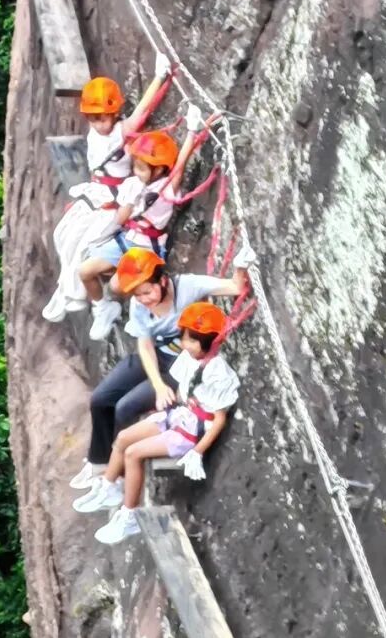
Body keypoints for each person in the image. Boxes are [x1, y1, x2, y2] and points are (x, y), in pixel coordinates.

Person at [67, 244, 254, 495]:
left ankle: (117, 474)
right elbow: (144, 344)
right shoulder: (140, 305)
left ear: (163, 280)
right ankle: (98, 463)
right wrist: (157, 384)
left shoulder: (188, 286)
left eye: (147, 292)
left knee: (124, 407)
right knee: (101, 399)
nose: (144, 299)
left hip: (182, 368)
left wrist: (241, 266)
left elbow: (234, 287)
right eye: (138, 295)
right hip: (156, 356)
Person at [77, 302, 240, 543]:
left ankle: (130, 515)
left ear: (208, 342)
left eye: (191, 340)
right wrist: (167, 401)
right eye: (184, 338)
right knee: (122, 438)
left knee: (133, 453)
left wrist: (197, 451)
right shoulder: (189, 358)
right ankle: (110, 486)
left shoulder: (218, 373)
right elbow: (181, 388)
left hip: (190, 431)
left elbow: (219, 419)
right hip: (178, 415)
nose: (184, 344)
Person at [41, 50, 174, 323]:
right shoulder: (95, 133)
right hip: (95, 193)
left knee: (85, 244)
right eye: (93, 118)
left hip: (113, 201)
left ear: (114, 114)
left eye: (102, 117)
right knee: (63, 235)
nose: (98, 124)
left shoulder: (121, 132)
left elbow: (142, 111)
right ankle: (67, 291)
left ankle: (84, 299)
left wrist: (160, 76)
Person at [78, 114, 203, 341]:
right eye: (135, 166)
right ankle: (103, 308)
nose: (136, 172)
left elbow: (180, 166)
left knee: (116, 286)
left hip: (146, 249)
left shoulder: (165, 189)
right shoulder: (132, 184)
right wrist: (129, 201)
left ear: (158, 170)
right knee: (85, 271)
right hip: (127, 238)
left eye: (142, 168)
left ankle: (140, 315)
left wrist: (192, 132)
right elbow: (120, 219)